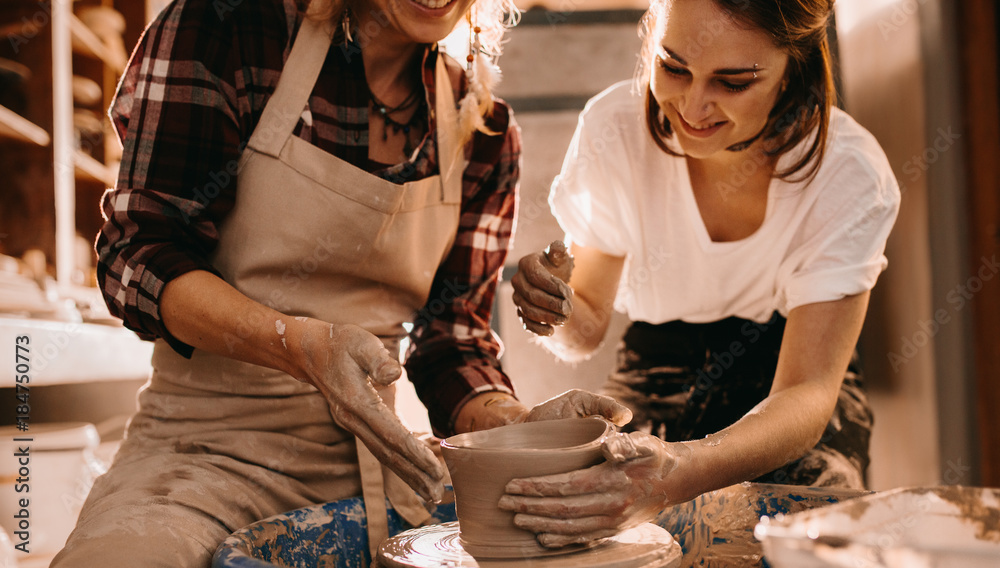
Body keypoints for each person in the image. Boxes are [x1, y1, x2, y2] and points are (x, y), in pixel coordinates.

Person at [52, 0, 629, 565]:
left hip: (383, 472)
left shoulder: (485, 132)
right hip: (201, 459)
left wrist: (521, 429)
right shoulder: (227, 29)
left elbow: (451, 345)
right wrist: (299, 345)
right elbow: (138, 256)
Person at [501, 0, 900, 548]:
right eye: (673, 66)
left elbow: (807, 389)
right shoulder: (615, 129)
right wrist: (557, 310)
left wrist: (681, 471)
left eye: (732, 82)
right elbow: (587, 327)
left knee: (801, 529)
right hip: (655, 364)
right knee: (583, 520)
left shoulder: (848, 171)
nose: (691, 105)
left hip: (788, 376)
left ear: (793, 69)